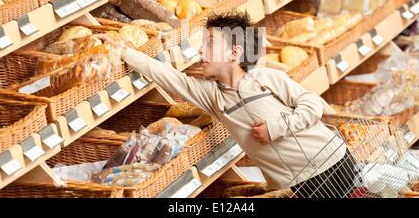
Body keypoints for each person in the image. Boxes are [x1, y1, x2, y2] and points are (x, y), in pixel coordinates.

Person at [107, 11, 359, 198]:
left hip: (332, 160)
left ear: (234, 53)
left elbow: (312, 104)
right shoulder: (214, 97)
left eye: (210, 44)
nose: (201, 52)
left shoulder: (265, 78)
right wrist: (126, 53)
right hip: (298, 182)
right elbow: (170, 78)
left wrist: (276, 128)